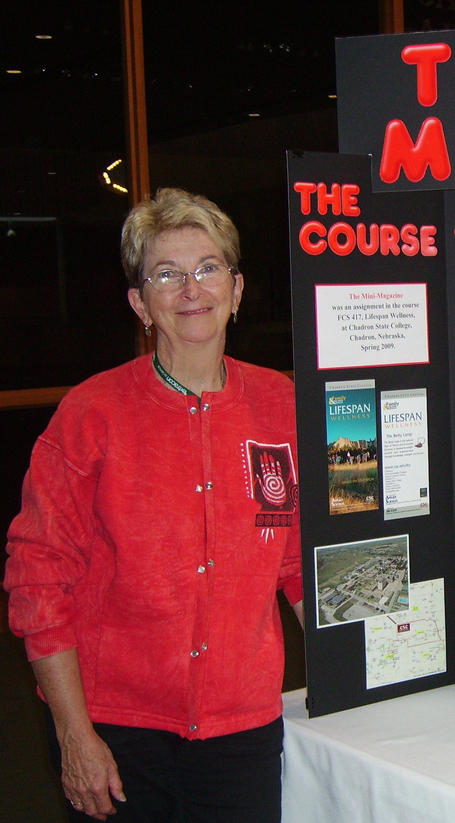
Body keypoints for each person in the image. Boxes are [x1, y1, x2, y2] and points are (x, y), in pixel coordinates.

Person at [4, 188, 303, 823]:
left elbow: (301, 560)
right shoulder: (91, 414)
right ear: (141, 304)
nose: (191, 290)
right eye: (166, 274)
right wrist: (73, 733)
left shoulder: (282, 405)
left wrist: (362, 676)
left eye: (208, 268)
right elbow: (38, 578)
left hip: (242, 729)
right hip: (117, 731)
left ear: (239, 288)